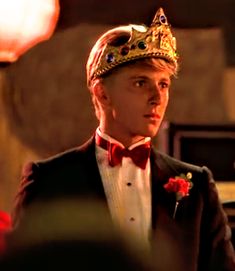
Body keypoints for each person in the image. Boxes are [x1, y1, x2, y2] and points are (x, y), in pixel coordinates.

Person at [11, 7, 235, 271]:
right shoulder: (48, 182)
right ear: (102, 94)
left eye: (163, 84)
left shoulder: (196, 187)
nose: (157, 97)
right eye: (141, 83)